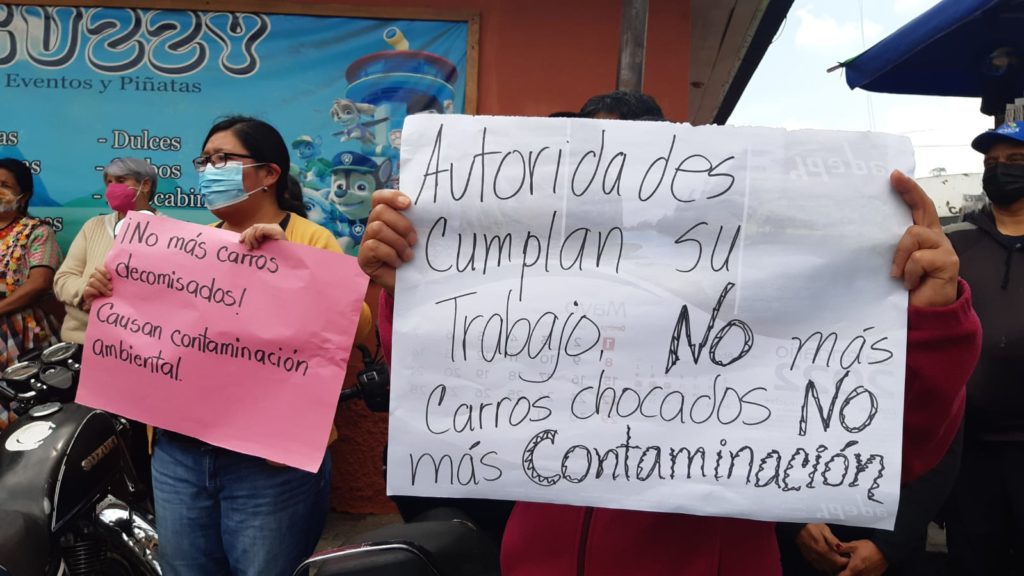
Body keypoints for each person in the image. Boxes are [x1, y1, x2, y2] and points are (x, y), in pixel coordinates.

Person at [357, 101, 981, 573]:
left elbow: (893, 439)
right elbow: (449, 394)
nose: (605, 199)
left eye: (626, 172)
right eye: (583, 172)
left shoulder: (754, 306)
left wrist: (931, 321)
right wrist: (410, 289)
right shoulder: (539, 307)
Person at [82, 116, 371, 576]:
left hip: (268, 462)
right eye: (205, 160)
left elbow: (358, 329)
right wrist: (106, 294)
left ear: (269, 173)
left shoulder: (309, 237)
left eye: (223, 159)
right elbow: (155, 334)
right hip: (180, 452)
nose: (210, 170)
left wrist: (294, 265)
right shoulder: (184, 245)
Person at [942, 120, 1024, 575]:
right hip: (968, 449)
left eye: (1015, 161)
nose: (1000, 170)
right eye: (992, 163)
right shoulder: (954, 247)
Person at [54, 157, 159, 344]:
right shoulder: (93, 227)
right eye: (109, 182)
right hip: (80, 341)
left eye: (121, 180)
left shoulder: (171, 234)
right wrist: (85, 291)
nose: (112, 188)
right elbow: (63, 279)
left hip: (138, 346)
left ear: (145, 185)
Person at [0, 159, 62, 369]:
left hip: (20, 330)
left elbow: (39, 283)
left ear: (23, 196)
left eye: (5, 185)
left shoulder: (38, 232)